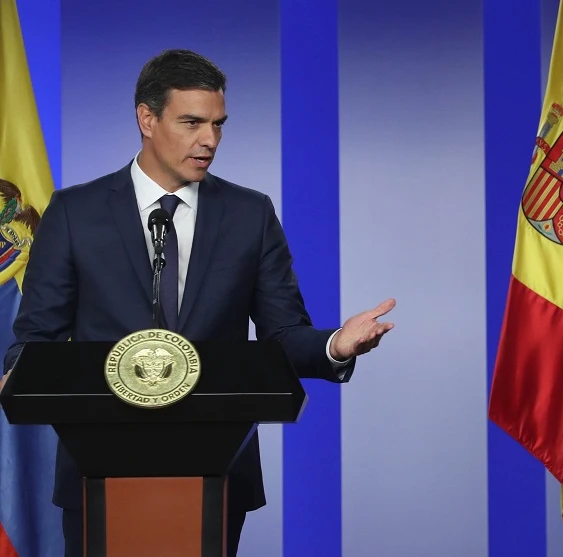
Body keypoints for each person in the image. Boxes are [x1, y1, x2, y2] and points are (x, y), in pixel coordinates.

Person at [0, 49, 395, 556]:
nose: (209, 140)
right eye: (191, 123)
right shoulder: (75, 212)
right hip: (98, 471)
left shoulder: (250, 214)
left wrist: (336, 345)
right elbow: (36, 340)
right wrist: (22, 373)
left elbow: (283, 335)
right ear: (147, 118)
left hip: (217, 471)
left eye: (218, 124)